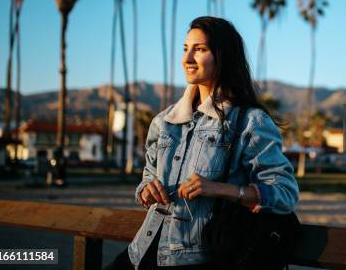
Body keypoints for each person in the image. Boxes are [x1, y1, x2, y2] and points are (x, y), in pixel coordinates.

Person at [105, 16, 299, 269]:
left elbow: (285, 194)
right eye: (186, 49)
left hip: (199, 259)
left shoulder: (250, 122)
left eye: (200, 49)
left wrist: (218, 188)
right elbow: (148, 174)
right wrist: (146, 189)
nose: (187, 59)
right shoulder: (164, 121)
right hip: (140, 254)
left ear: (223, 56)